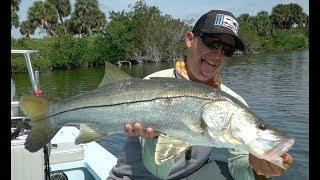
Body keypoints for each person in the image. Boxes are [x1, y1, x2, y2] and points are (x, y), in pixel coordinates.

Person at [107, 10, 293, 180]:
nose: (218, 55)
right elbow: (158, 171)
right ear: (189, 39)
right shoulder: (151, 85)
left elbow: (238, 165)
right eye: (212, 43)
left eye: (227, 50)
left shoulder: (234, 102)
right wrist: (156, 137)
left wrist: (259, 171)